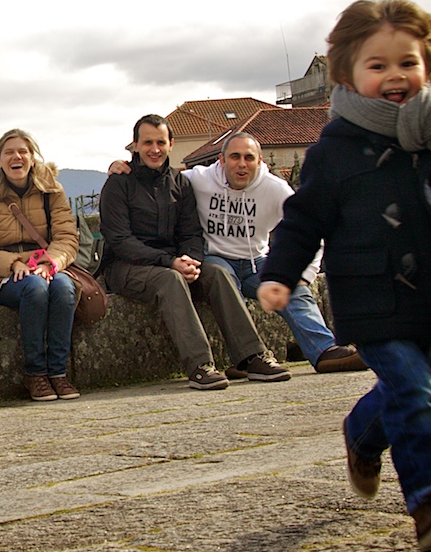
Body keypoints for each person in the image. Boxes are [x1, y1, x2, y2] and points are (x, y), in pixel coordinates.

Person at [257, 0, 431, 551]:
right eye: (378, 66)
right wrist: (279, 274)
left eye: (408, 62)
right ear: (347, 74)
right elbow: (303, 220)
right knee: (418, 394)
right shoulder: (334, 148)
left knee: (406, 389)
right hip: (369, 298)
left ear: (428, 64)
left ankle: (361, 434)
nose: (396, 76)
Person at [108, 131, 365, 377]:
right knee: (222, 278)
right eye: (234, 157)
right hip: (215, 258)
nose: (242, 164)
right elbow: (159, 174)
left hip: (257, 263)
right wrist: (121, 166)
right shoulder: (199, 178)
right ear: (221, 160)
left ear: (259, 161)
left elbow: (309, 230)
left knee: (293, 288)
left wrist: (305, 274)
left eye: (249, 158)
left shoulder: (275, 189)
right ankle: (246, 359)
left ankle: (325, 352)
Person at [99, 113, 274, 391]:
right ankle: (200, 365)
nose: (154, 149)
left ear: (171, 144)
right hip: (125, 267)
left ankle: (251, 357)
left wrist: (190, 259)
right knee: (170, 279)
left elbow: (192, 233)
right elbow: (120, 240)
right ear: (135, 146)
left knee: (217, 272)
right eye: (147, 143)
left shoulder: (180, 183)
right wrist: (170, 262)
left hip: (173, 262)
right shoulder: (118, 184)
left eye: (160, 142)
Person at [0, 129, 81, 402]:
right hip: (1, 274)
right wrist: (13, 263)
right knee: (35, 289)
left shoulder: (51, 190)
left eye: (22, 152)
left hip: (47, 264)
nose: (16, 157)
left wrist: (51, 262)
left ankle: (59, 374)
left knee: (63, 288)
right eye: (9, 152)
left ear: (32, 157)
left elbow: (67, 237)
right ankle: (36, 374)